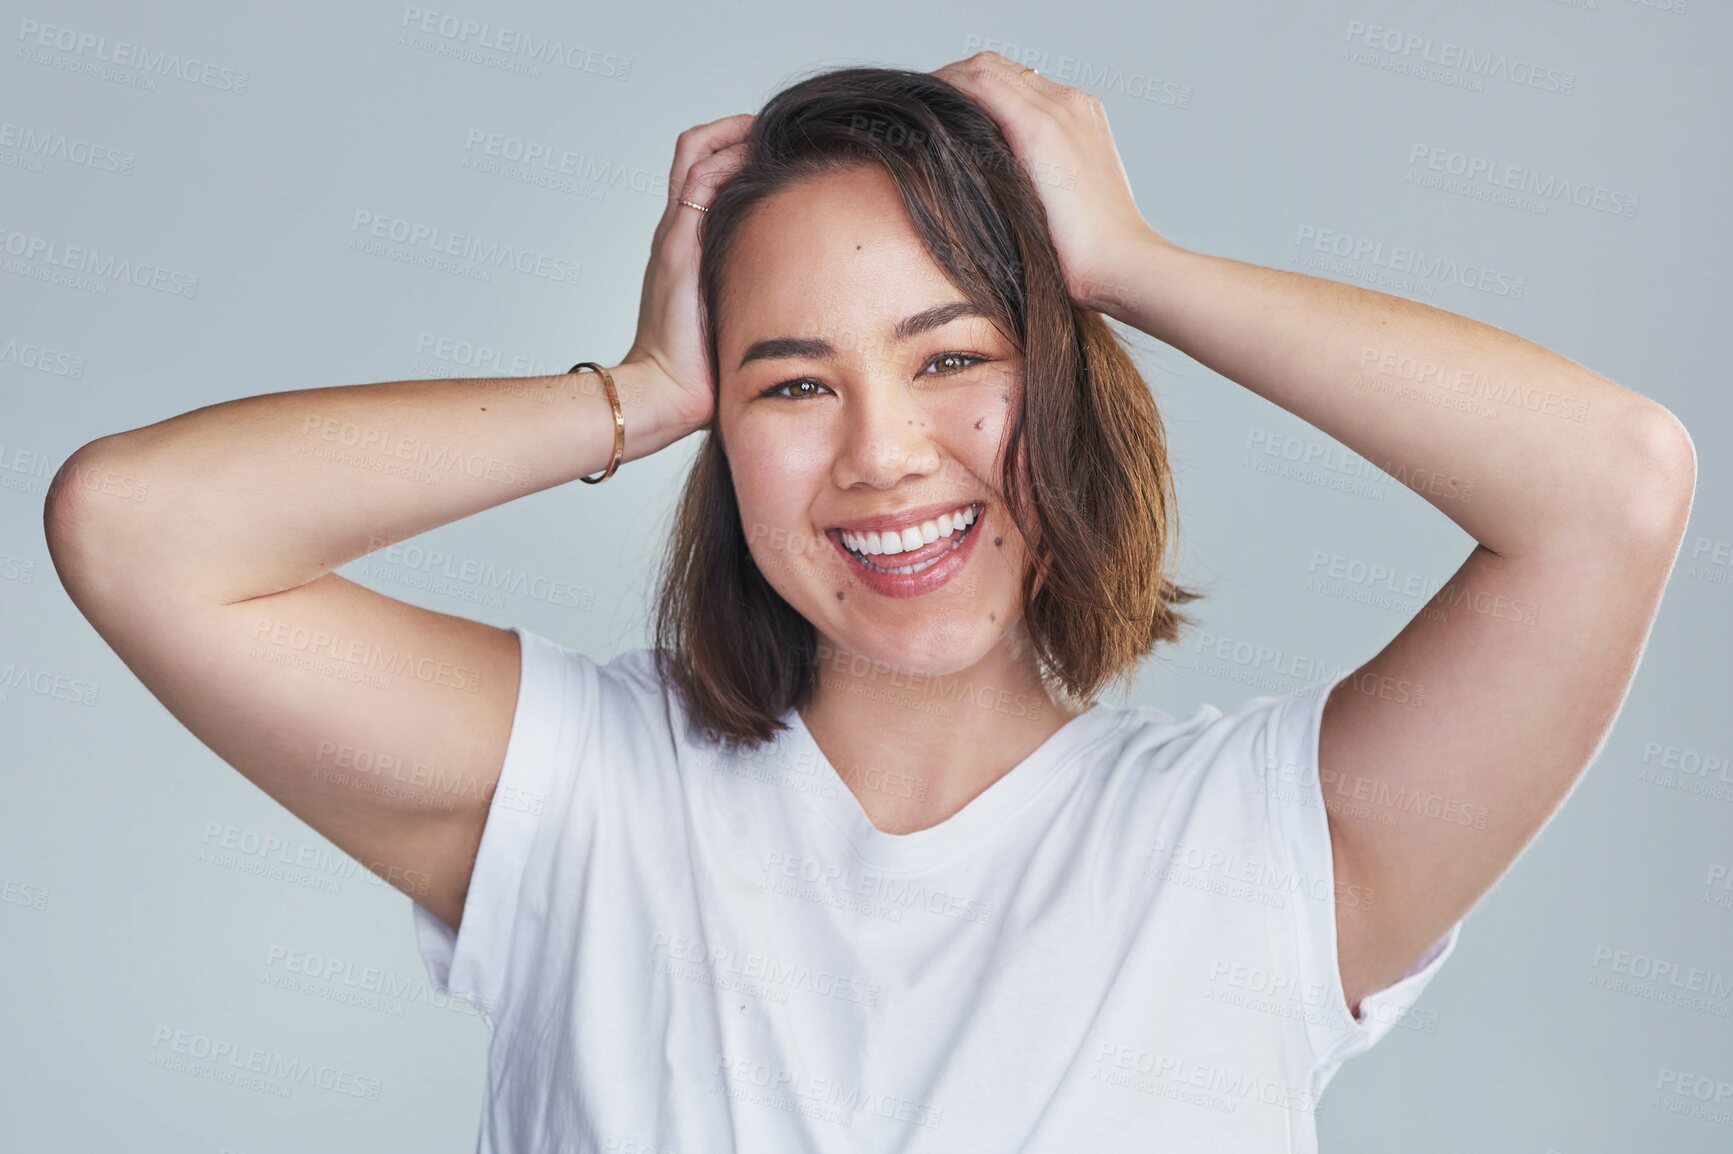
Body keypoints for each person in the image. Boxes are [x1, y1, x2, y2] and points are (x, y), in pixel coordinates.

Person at [46, 51, 1695, 1153]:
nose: (884, 458)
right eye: (790, 387)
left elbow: (1610, 485)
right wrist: (631, 388)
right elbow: (139, 526)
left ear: (1056, 383)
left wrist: (1124, 261)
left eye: (952, 355)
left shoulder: (1267, 845)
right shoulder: (576, 797)